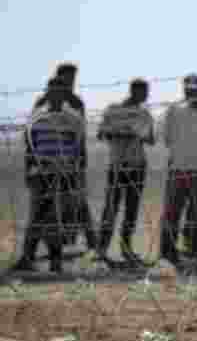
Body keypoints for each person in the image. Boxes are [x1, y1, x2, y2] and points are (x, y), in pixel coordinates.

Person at [11, 79, 88, 273]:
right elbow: (30, 148)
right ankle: (28, 258)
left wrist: (75, 173)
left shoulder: (73, 120)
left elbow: (78, 149)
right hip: (41, 173)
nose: (56, 96)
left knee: (55, 218)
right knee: (36, 217)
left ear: (64, 95)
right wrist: (29, 171)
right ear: (47, 93)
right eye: (52, 92)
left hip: (63, 174)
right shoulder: (37, 118)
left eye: (60, 92)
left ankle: (55, 260)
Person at [36, 63, 97, 253]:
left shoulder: (76, 102)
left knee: (78, 200)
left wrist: (81, 158)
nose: (71, 82)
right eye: (68, 78)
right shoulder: (43, 102)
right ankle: (51, 245)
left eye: (73, 79)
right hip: (46, 161)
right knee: (45, 204)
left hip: (72, 158)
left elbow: (81, 133)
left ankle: (90, 242)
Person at [160, 74, 197, 267]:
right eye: (188, 90)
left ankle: (194, 251)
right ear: (184, 90)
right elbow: (168, 139)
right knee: (171, 212)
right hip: (178, 169)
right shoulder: (174, 111)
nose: (192, 93)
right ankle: (167, 253)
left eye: (195, 90)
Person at [96, 78, 155, 266]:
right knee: (112, 208)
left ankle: (125, 249)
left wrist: (120, 132)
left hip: (135, 165)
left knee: (130, 209)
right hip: (119, 166)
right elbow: (102, 133)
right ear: (135, 91)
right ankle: (102, 250)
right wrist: (128, 132)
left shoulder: (142, 113)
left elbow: (149, 137)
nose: (146, 96)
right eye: (144, 92)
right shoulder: (116, 110)